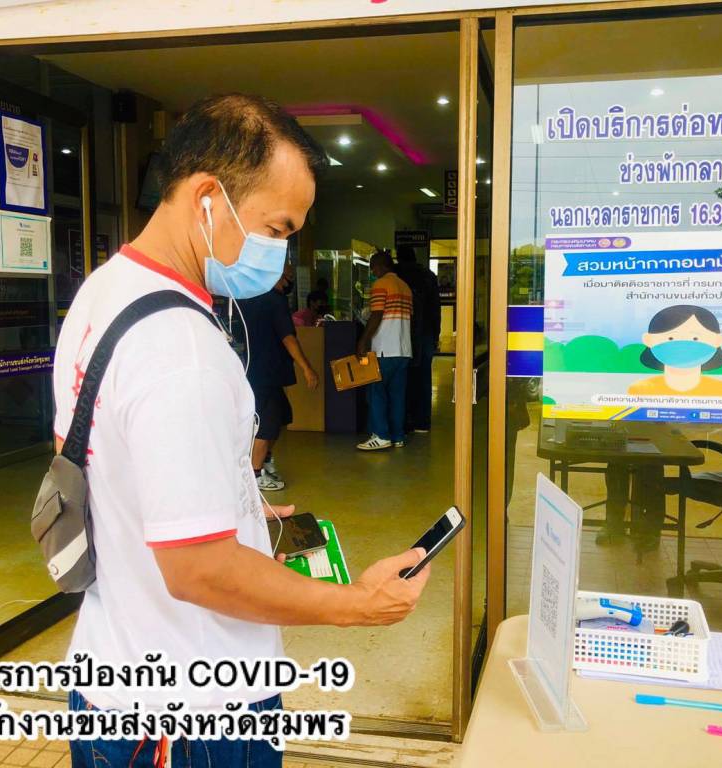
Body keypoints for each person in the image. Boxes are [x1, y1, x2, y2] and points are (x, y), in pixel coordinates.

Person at [52, 94, 430, 767]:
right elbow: (200, 570)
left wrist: (229, 504)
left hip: (112, 678)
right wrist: (354, 604)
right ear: (207, 198)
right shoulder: (181, 350)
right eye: (277, 228)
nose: (280, 252)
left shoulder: (103, 293)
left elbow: (97, 464)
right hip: (193, 716)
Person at [237, 263, 318, 492]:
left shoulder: (251, 298)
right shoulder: (275, 300)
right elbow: (288, 337)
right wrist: (306, 368)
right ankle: (254, 477)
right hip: (265, 374)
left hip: (259, 371)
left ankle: (265, 461)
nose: (289, 281)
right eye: (287, 276)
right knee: (268, 424)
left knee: (282, 415)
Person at [355, 250, 413, 451]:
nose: (372, 271)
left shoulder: (381, 284)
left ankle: (380, 435)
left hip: (384, 349)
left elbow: (377, 315)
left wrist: (363, 341)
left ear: (381, 266)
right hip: (403, 350)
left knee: (375, 392)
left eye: (373, 267)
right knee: (397, 395)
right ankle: (398, 436)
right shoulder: (405, 287)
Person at [627, 305, 722, 397]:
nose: (683, 346)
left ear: (718, 340)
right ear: (648, 340)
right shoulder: (638, 391)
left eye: (695, 338)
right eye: (671, 338)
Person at [395, 245, 441, 433]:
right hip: (426, 333)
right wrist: (436, 335)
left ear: (398, 258)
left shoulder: (396, 275)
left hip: (402, 332)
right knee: (423, 377)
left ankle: (405, 420)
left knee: (403, 378)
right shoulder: (429, 276)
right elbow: (435, 309)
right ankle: (422, 421)